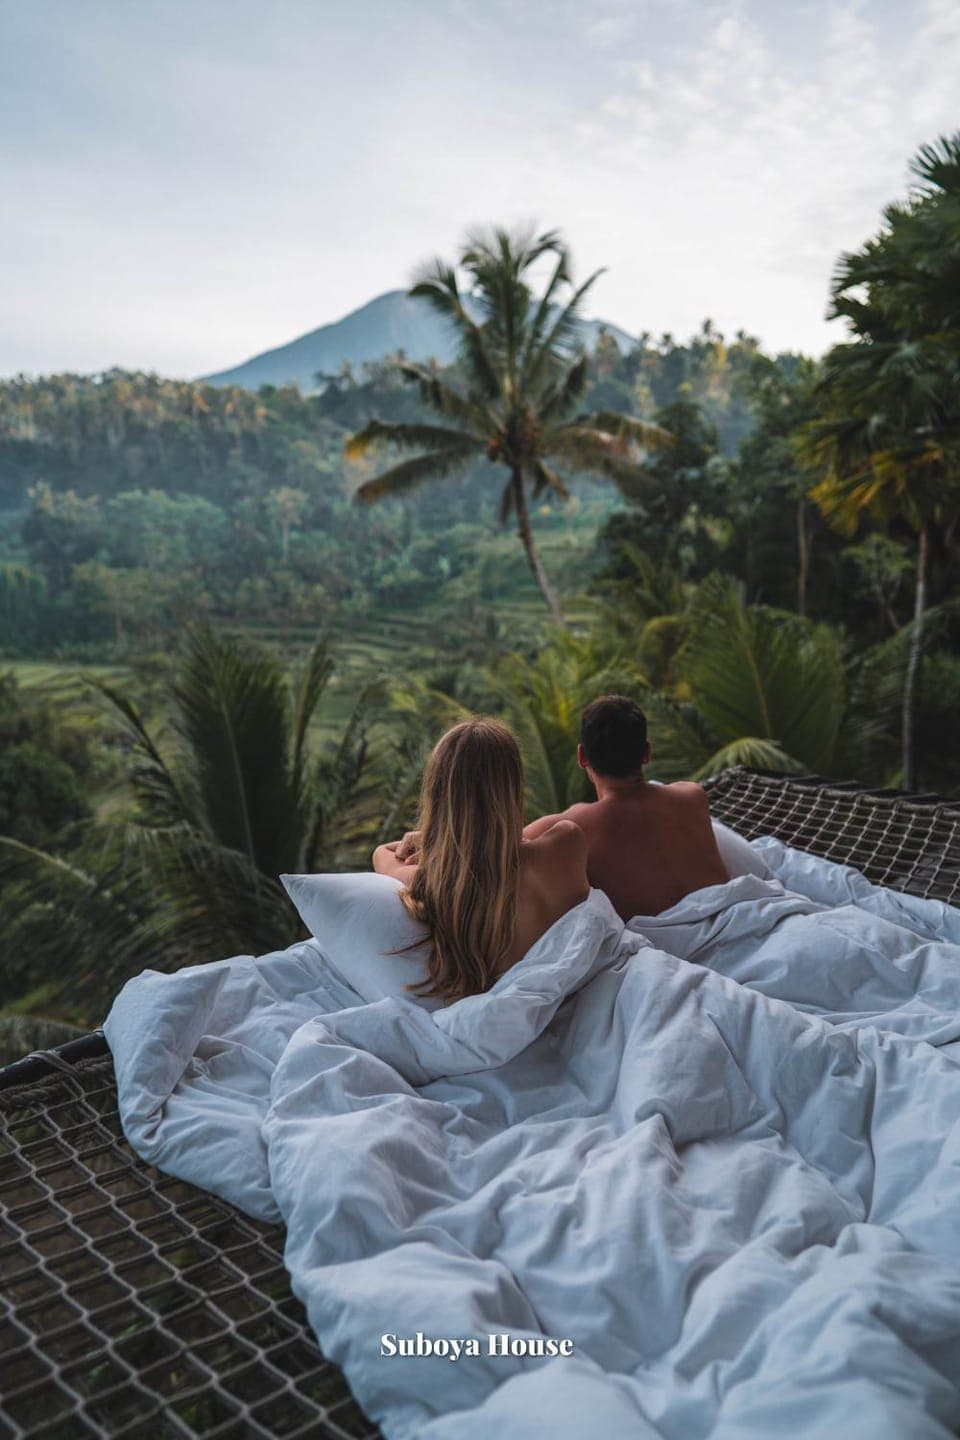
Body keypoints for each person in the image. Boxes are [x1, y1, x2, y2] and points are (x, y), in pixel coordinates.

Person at [372, 718, 589, 1001]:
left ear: (438, 794)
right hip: (565, 1007)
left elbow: (382, 854)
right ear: (512, 786)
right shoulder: (562, 847)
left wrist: (433, 836)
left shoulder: (429, 881)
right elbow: (534, 835)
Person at [522, 695, 729, 921]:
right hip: (735, 921)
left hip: (673, 950)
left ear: (582, 757)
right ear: (647, 753)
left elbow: (507, 846)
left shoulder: (575, 826)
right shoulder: (692, 795)